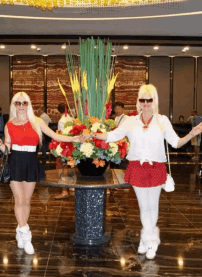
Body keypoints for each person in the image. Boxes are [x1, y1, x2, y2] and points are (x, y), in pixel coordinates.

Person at [83, 84, 202, 260]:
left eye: (149, 100)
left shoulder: (162, 121)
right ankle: (149, 239)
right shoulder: (130, 121)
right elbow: (113, 136)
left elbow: (176, 143)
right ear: (138, 102)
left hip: (156, 167)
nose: (146, 103)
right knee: (143, 206)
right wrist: (93, 135)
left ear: (155, 101)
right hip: (137, 167)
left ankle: (148, 241)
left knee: (153, 206)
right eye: (142, 100)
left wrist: (193, 133)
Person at [0, 92, 83, 255]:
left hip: (31, 162)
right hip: (15, 162)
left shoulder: (36, 122)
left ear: (28, 104)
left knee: (27, 200)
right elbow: (6, 149)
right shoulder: (9, 124)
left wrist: (75, 139)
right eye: (18, 103)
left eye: (24, 103)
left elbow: (54, 136)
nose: (21, 106)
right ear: (14, 105)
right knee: (19, 200)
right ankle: (26, 235)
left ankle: (20, 229)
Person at [54, 103, 74, 200]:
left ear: (58, 111)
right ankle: (71, 187)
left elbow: (60, 136)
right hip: (72, 147)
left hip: (64, 147)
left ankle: (64, 191)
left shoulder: (62, 121)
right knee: (71, 167)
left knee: (61, 169)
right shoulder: (71, 119)